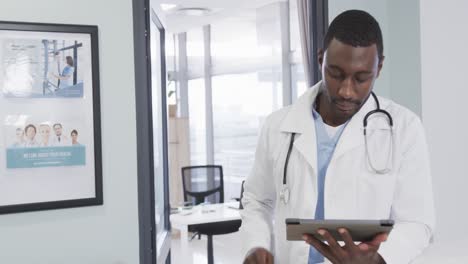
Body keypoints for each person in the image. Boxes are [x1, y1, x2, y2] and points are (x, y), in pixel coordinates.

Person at [241, 10, 434, 264]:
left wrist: (377, 260)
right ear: (320, 59)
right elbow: (257, 200)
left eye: (361, 78)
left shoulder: (405, 128)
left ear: (379, 67)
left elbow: (417, 222)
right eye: (336, 74)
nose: (346, 91)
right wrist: (257, 244)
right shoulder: (278, 126)